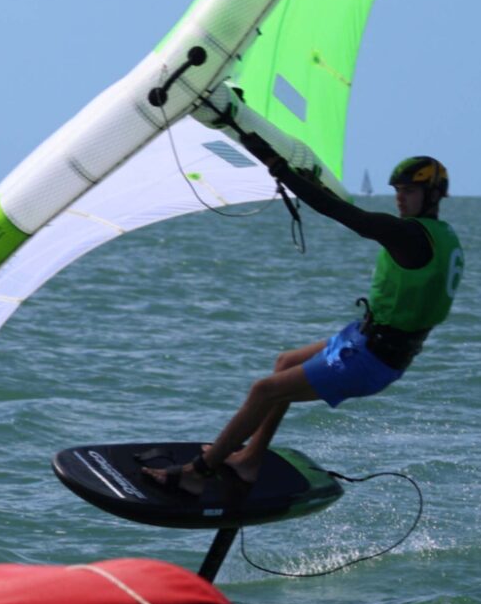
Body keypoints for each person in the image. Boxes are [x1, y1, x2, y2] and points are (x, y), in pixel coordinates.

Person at [146, 154, 463, 499]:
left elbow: (346, 215)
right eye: (398, 190)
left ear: (433, 195)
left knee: (264, 391)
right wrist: (308, 181)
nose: (400, 197)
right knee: (286, 362)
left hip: (372, 358)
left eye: (409, 191)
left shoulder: (411, 236)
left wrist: (287, 176)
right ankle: (249, 459)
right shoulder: (442, 236)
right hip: (365, 339)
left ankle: (196, 474)